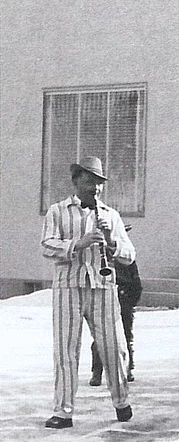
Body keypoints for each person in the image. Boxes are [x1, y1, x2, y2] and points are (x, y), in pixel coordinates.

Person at [41, 156, 135, 428]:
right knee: (66, 351)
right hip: (68, 287)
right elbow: (46, 246)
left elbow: (130, 255)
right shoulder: (57, 212)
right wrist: (77, 244)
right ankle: (63, 412)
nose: (94, 188)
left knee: (114, 348)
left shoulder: (111, 215)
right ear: (76, 182)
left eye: (98, 183)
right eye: (88, 182)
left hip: (103, 287)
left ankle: (121, 402)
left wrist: (112, 243)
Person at [90, 257, 141, 386]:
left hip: (123, 301)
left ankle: (127, 369)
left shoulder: (127, 259)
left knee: (124, 337)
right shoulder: (98, 258)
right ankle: (97, 372)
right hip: (103, 301)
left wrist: (129, 303)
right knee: (100, 338)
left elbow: (136, 285)